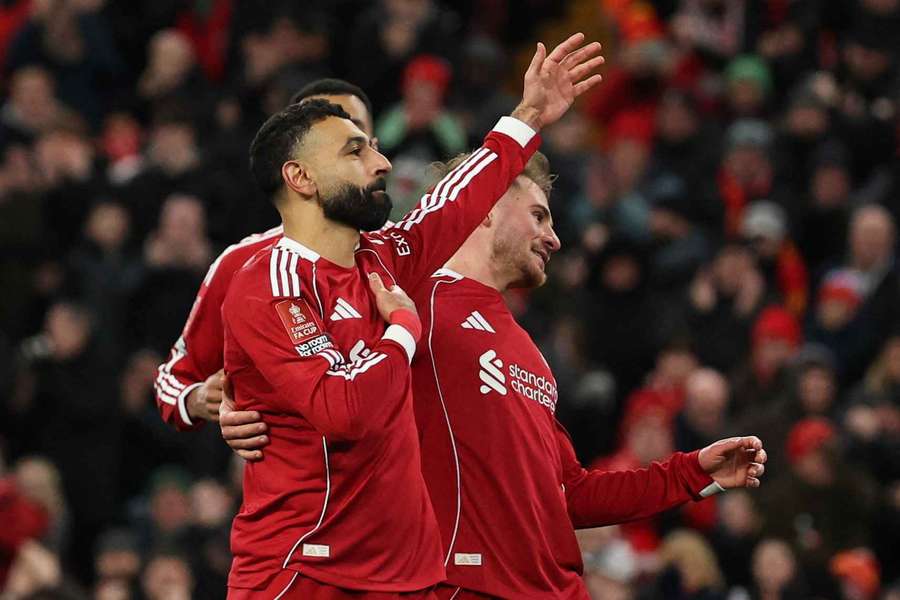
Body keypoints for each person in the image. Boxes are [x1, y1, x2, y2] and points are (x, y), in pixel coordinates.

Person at [224, 143, 767, 600]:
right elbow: (300, 338)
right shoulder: (403, 297)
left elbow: (569, 493)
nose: (554, 237)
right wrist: (226, 401)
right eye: (538, 215)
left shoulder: (530, 350)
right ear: (483, 206)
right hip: (465, 586)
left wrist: (694, 474)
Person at [221, 34, 604, 598]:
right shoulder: (268, 281)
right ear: (299, 178)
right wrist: (401, 330)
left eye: (374, 147)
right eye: (355, 152)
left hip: (398, 578)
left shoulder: (383, 259)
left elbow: (452, 203)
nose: (381, 163)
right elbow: (345, 409)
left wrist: (527, 116)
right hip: (304, 573)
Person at [154, 78, 377, 432]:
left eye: (355, 139)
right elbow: (175, 376)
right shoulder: (242, 263)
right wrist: (198, 398)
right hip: (291, 480)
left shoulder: (414, 251)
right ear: (293, 158)